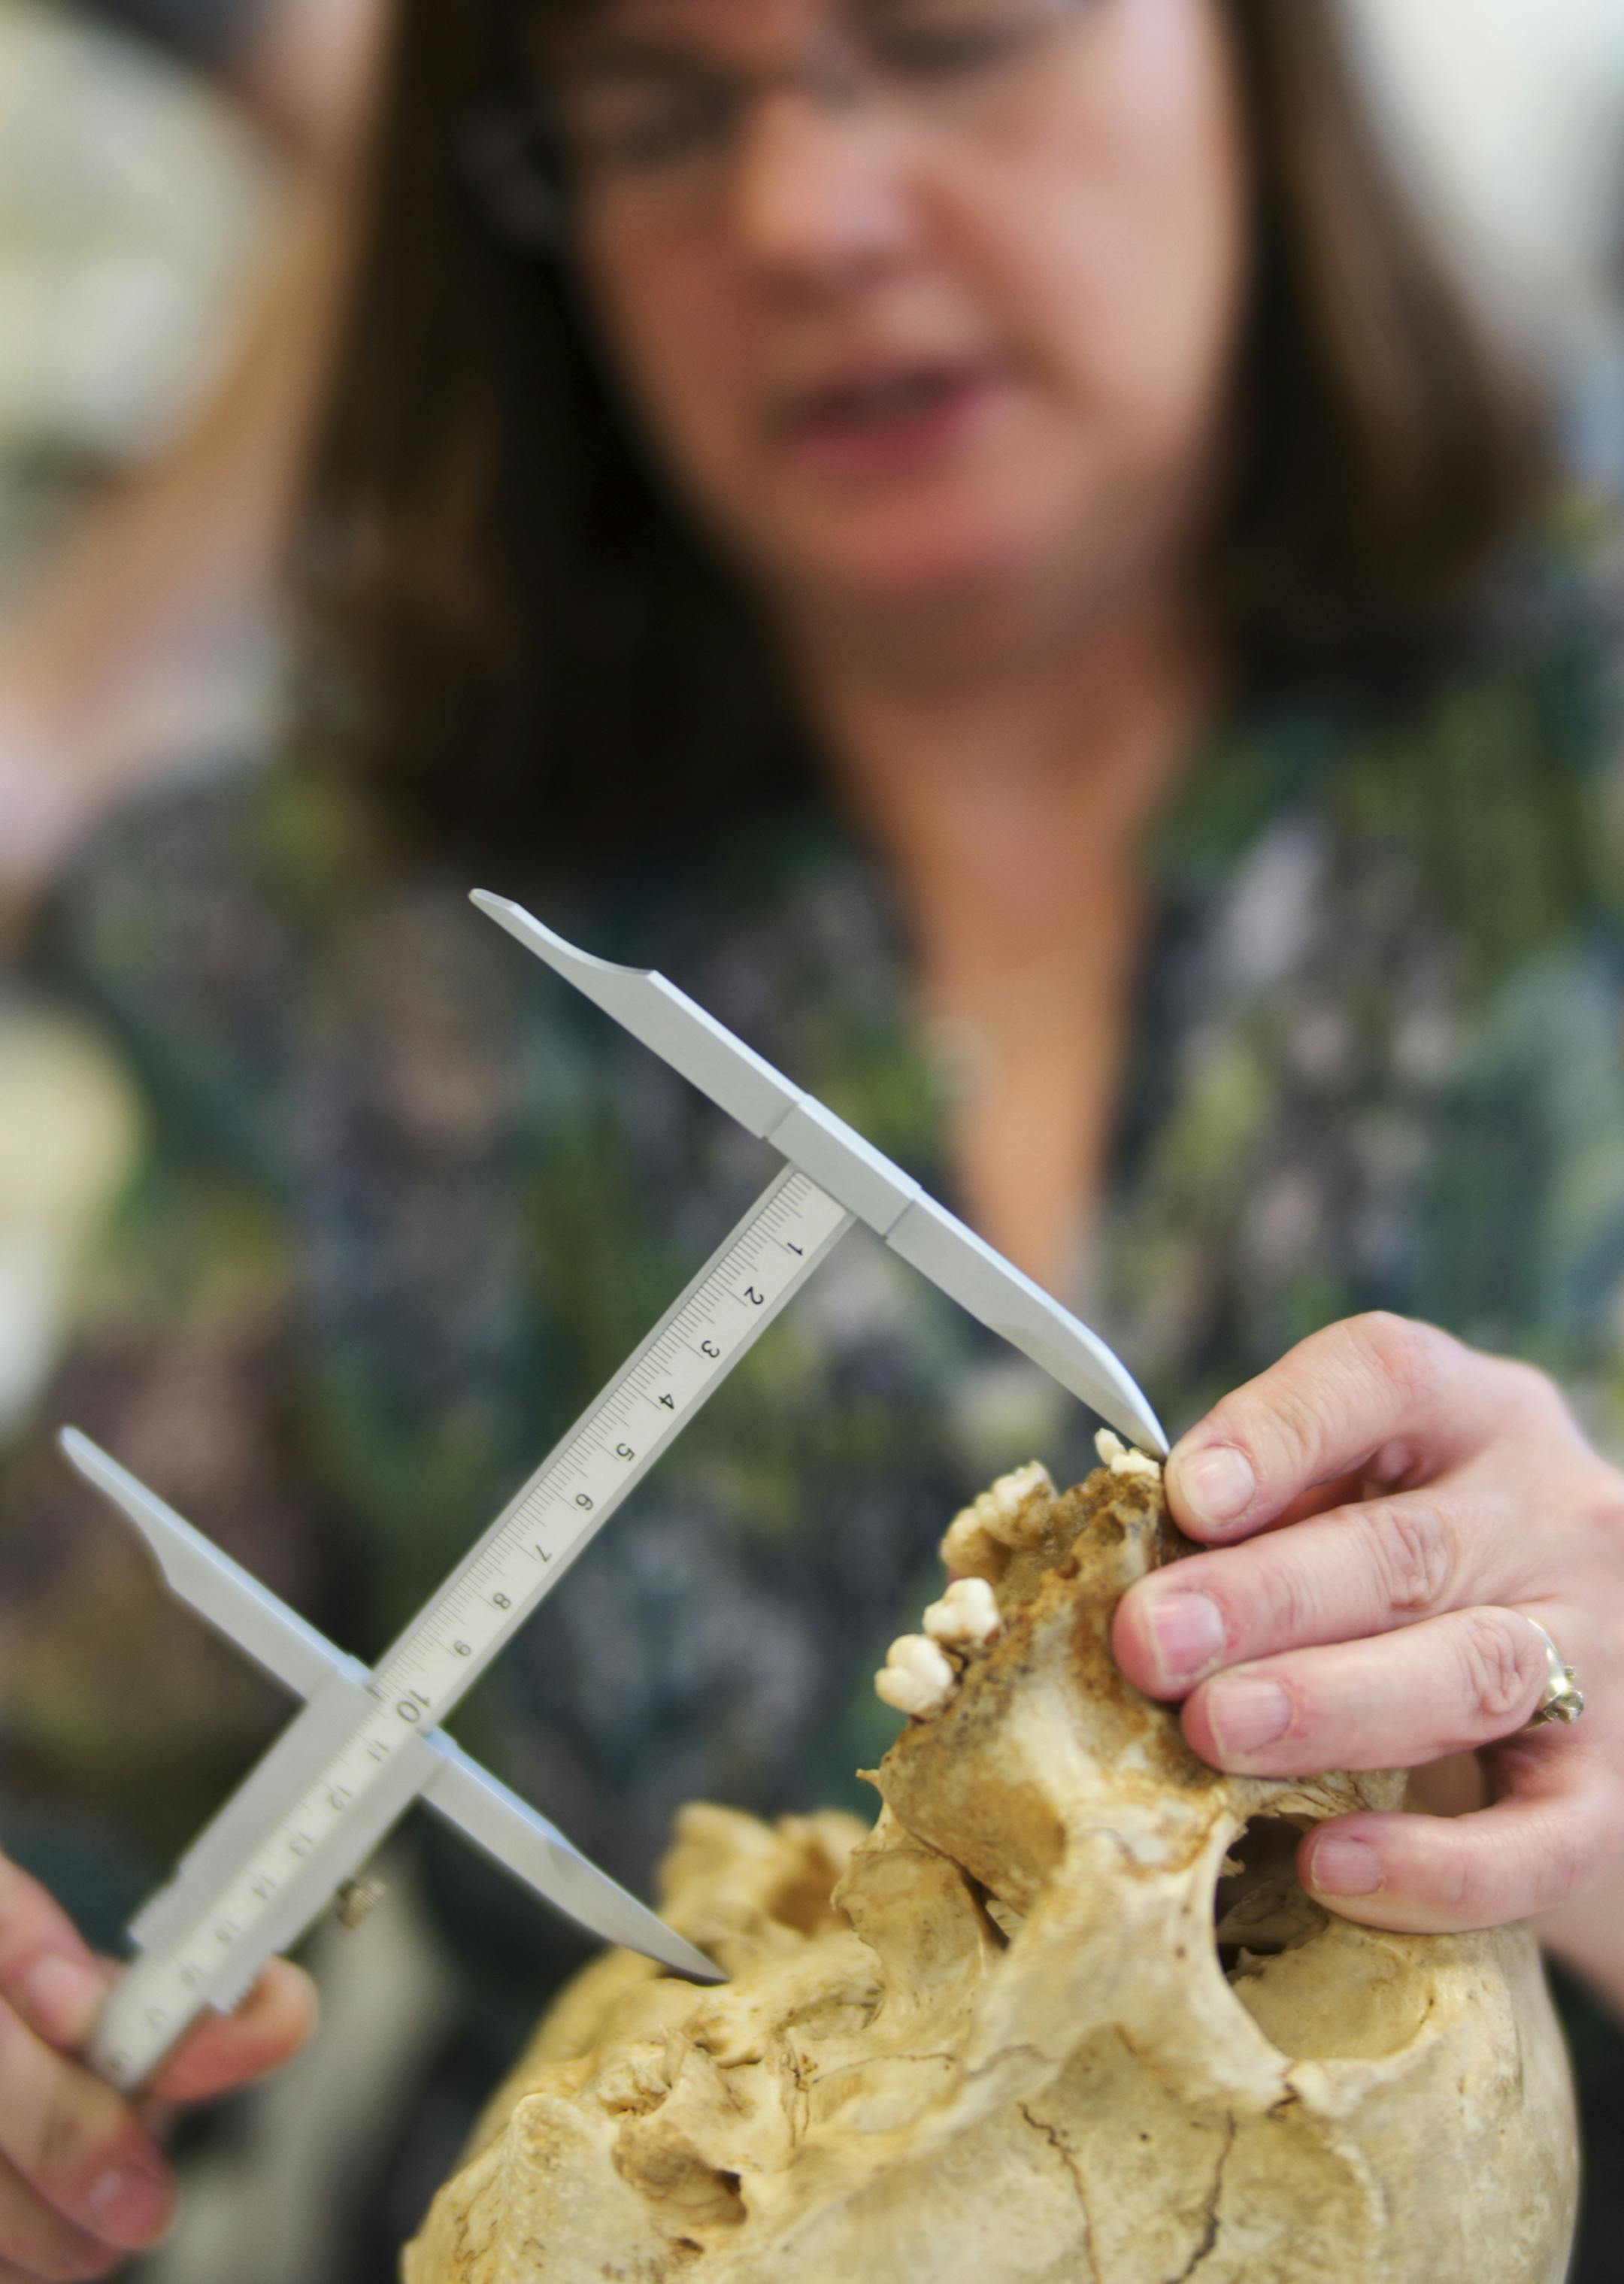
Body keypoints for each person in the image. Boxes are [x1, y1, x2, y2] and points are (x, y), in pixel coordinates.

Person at [1, 0, 1622, 2275]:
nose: (803, 215)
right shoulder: (329, 940)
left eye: (955, 44)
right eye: (655, 114)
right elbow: (64, 1802)